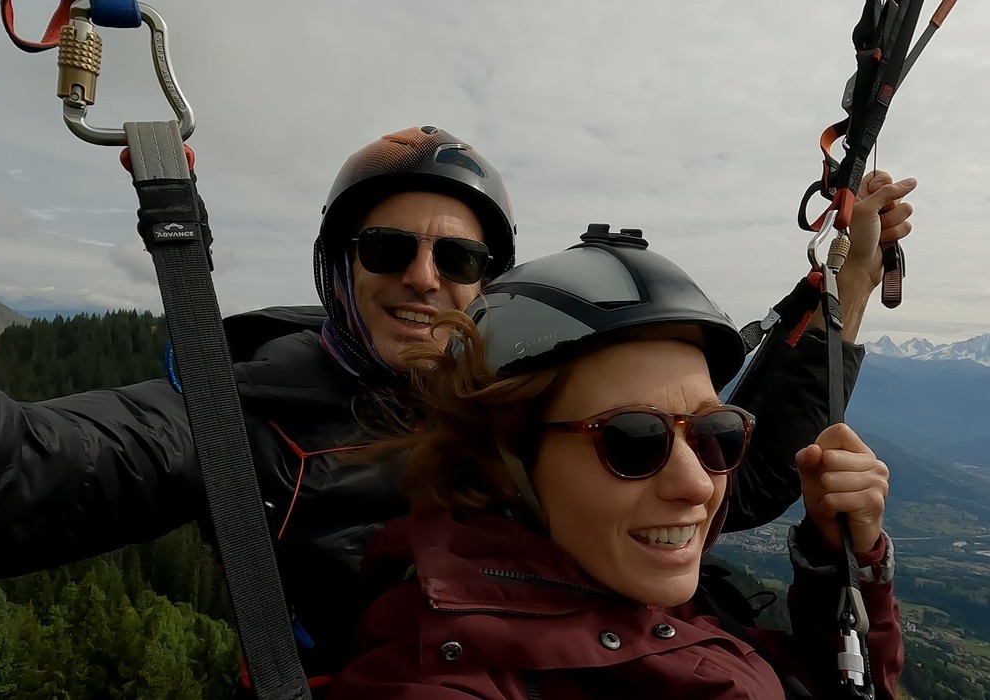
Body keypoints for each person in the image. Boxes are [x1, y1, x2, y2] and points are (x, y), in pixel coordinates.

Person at [0, 126, 913, 685]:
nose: (425, 279)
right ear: (341, 268)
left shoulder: (520, 398)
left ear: (490, 283)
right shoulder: (243, 416)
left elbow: (723, 479)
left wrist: (849, 289)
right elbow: (28, 468)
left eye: (461, 259)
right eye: (389, 249)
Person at [327, 225, 901, 699]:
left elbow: (826, 686)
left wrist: (841, 561)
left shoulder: (644, 597)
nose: (698, 483)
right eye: (631, 440)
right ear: (505, 462)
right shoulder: (443, 675)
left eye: (715, 433)